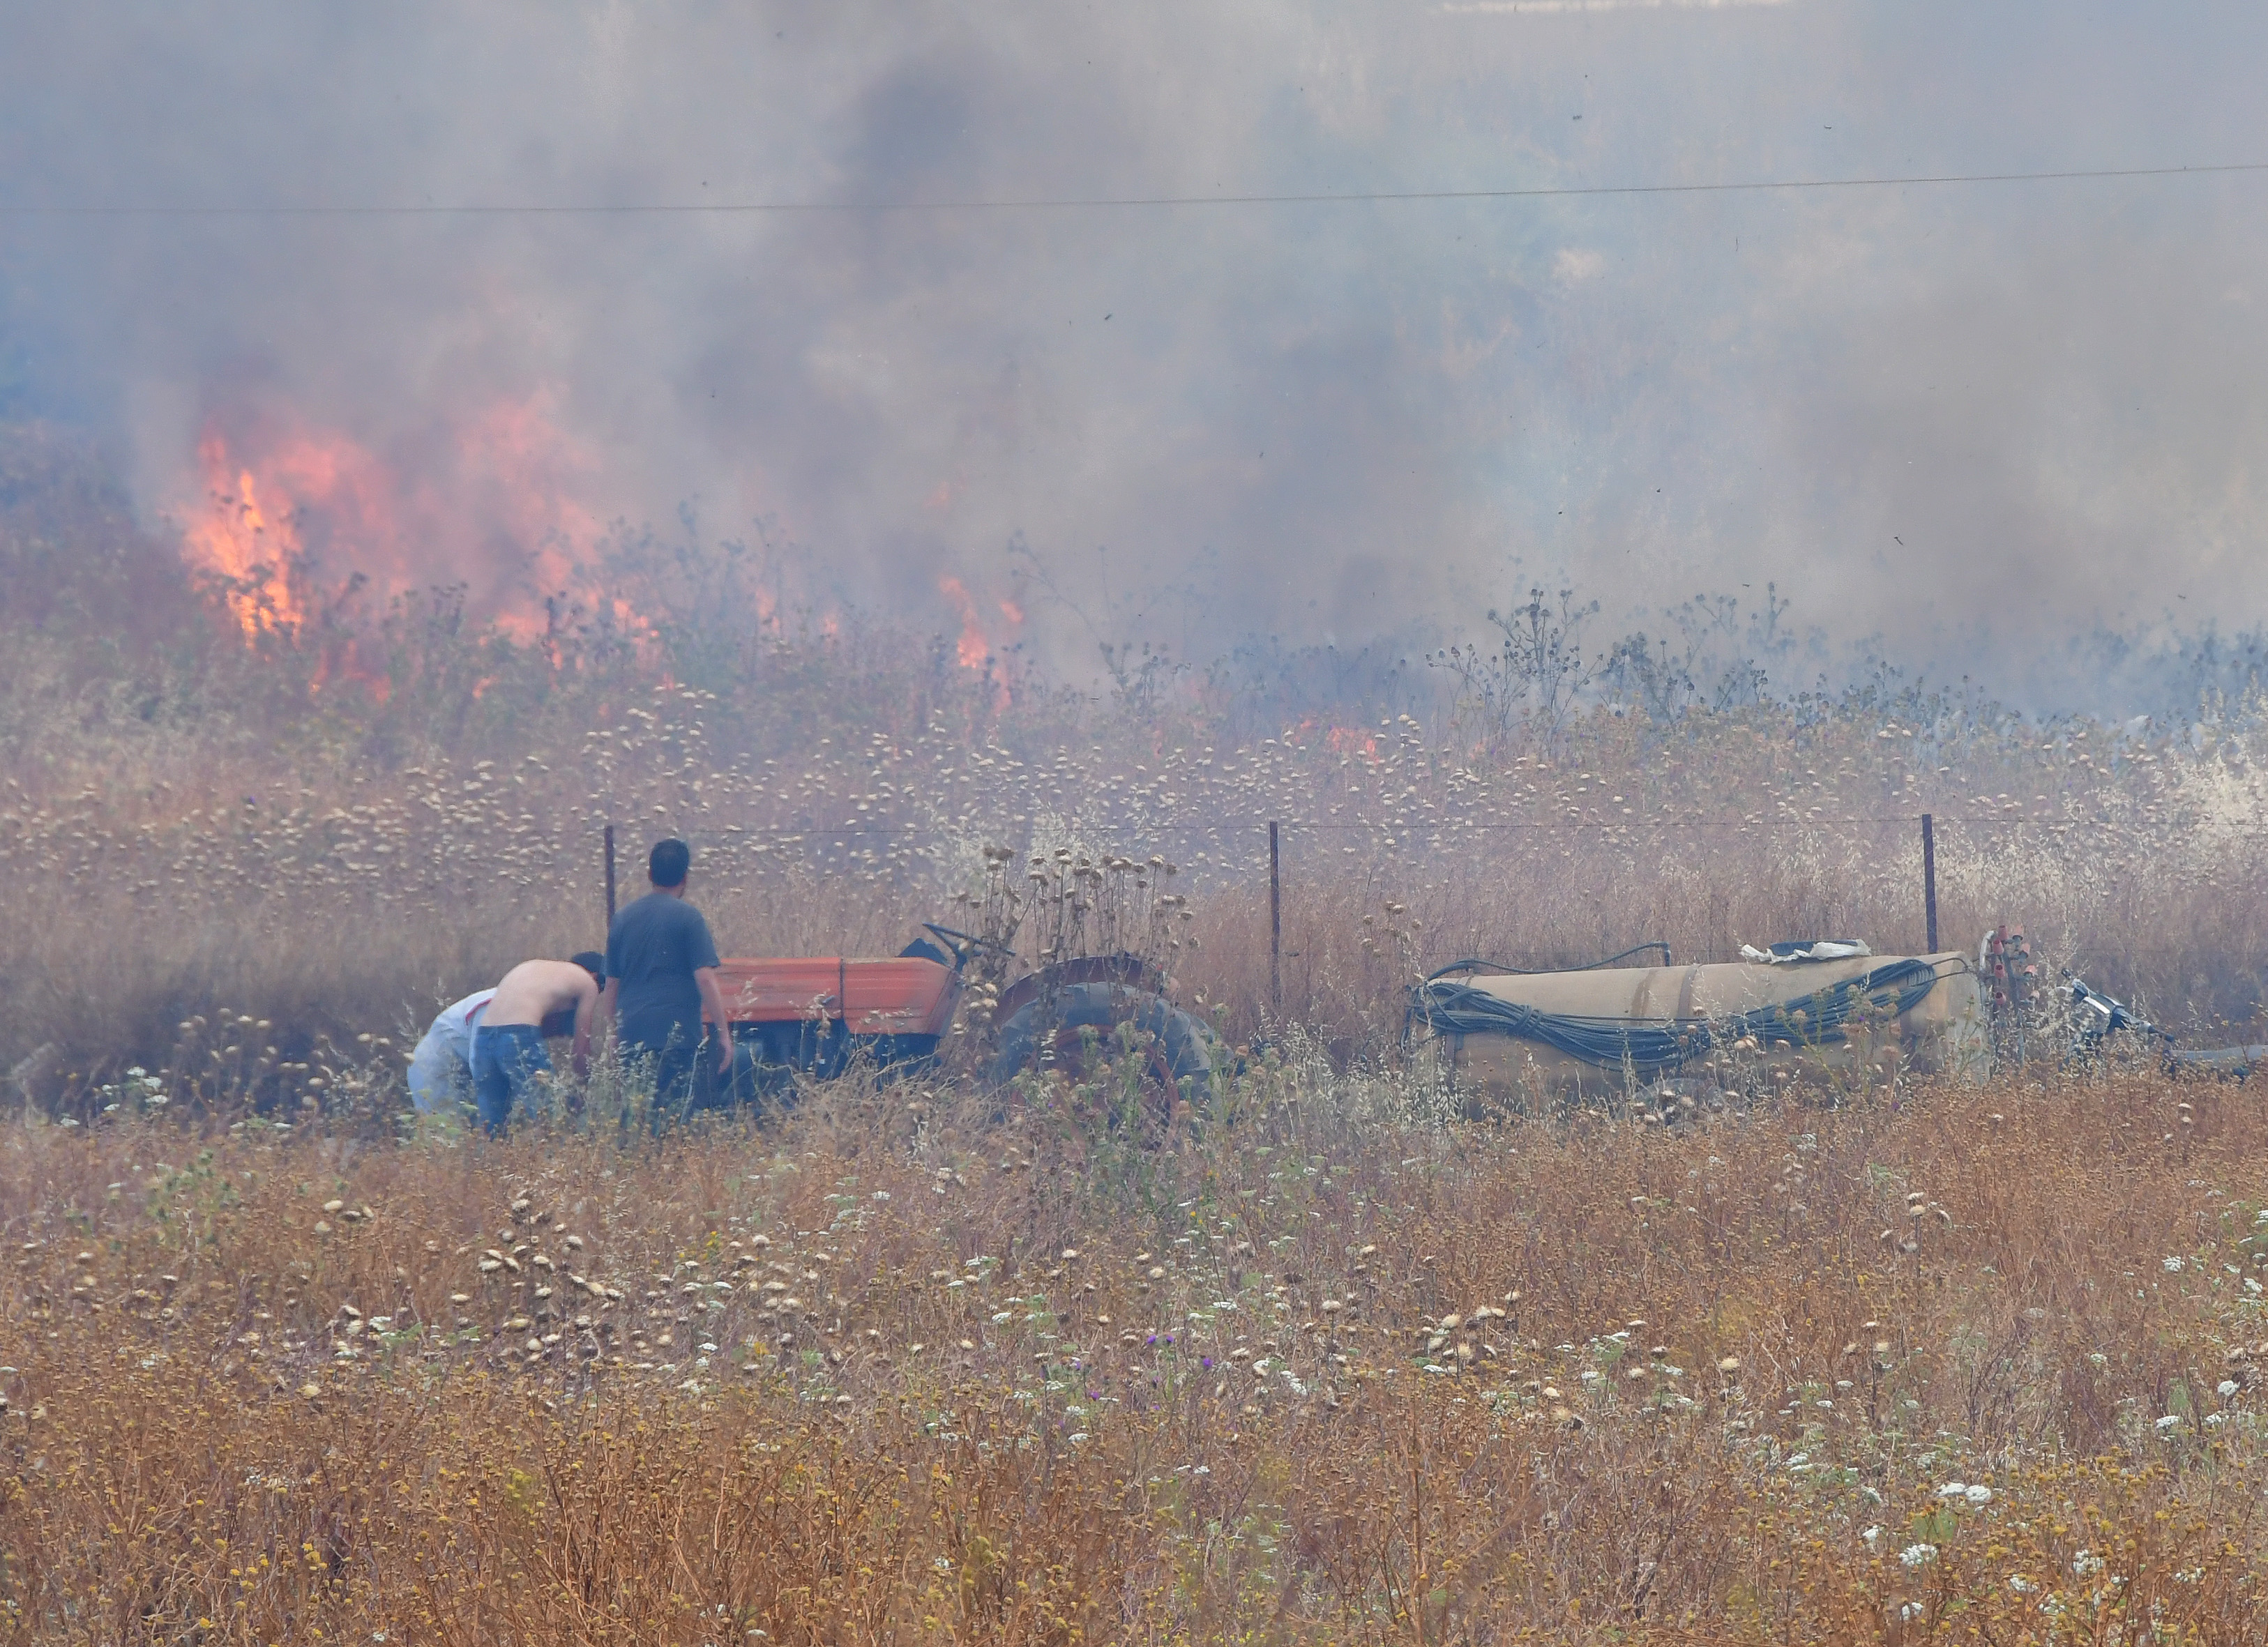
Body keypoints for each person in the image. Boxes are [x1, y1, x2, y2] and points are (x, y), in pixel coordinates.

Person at [602, 837, 731, 1122]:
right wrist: (723, 1032)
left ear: (650, 875)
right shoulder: (689, 918)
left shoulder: (622, 919)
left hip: (632, 1036)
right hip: (679, 1038)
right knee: (676, 1118)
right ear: (685, 877)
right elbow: (705, 978)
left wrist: (613, 1036)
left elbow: (611, 984)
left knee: (637, 1119)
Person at [469, 952, 605, 1135]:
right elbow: (581, 1052)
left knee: (491, 1127)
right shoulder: (588, 983)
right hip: (518, 1036)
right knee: (547, 1121)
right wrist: (582, 1091)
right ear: (595, 976)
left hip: (483, 1037)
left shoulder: (536, 968)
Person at [406, 988, 497, 1115]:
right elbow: (483, 1068)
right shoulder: (495, 1005)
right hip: (432, 1068)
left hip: (461, 1067)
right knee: (444, 1125)